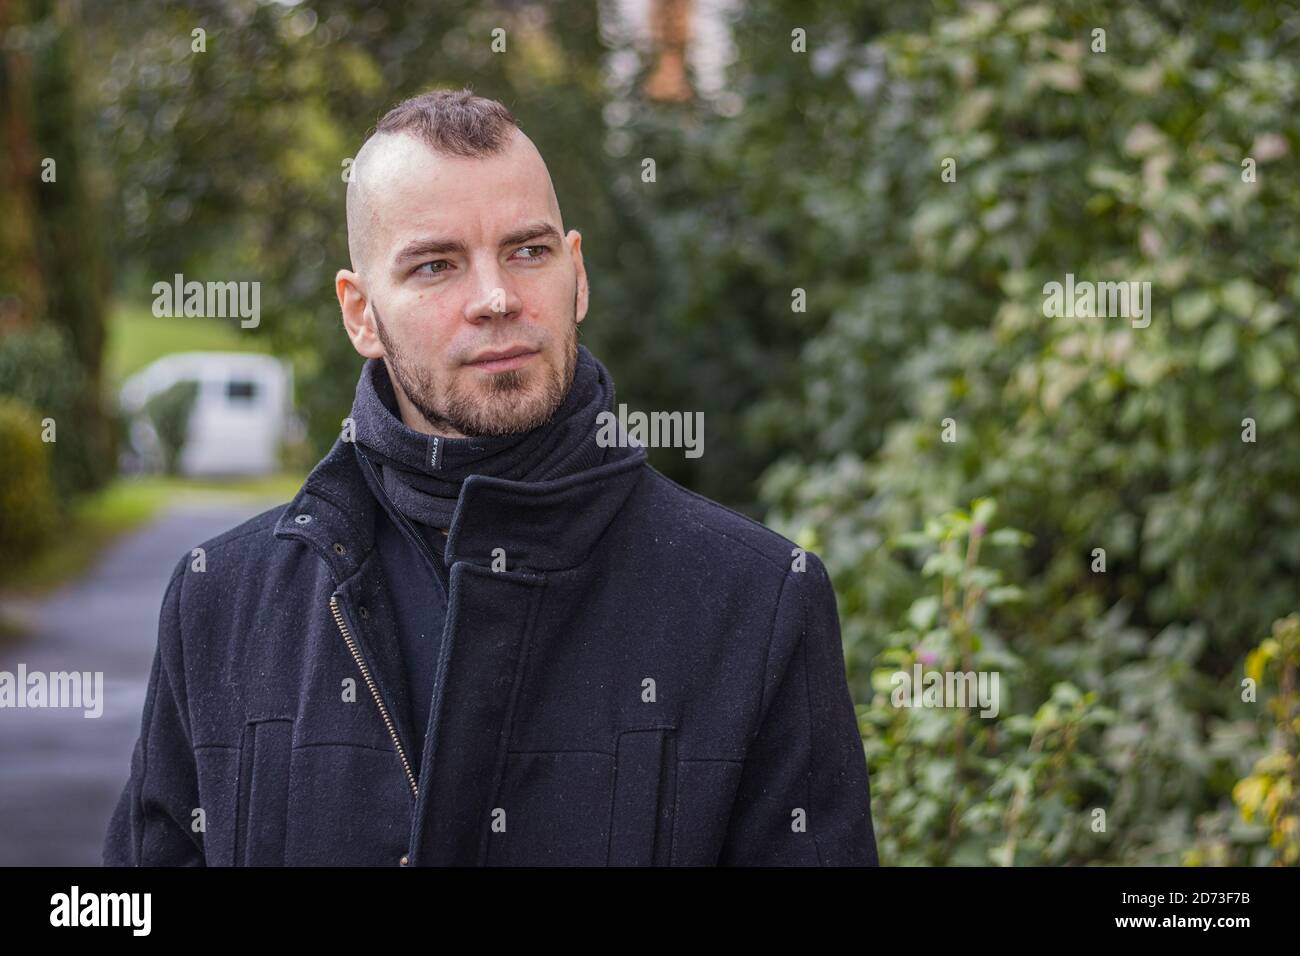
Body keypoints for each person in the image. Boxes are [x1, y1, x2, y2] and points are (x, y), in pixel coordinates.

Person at [103, 87, 879, 866]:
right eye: (437, 265)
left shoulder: (757, 601)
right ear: (361, 314)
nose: (498, 297)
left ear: (576, 274)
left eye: (527, 251)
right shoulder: (220, 602)